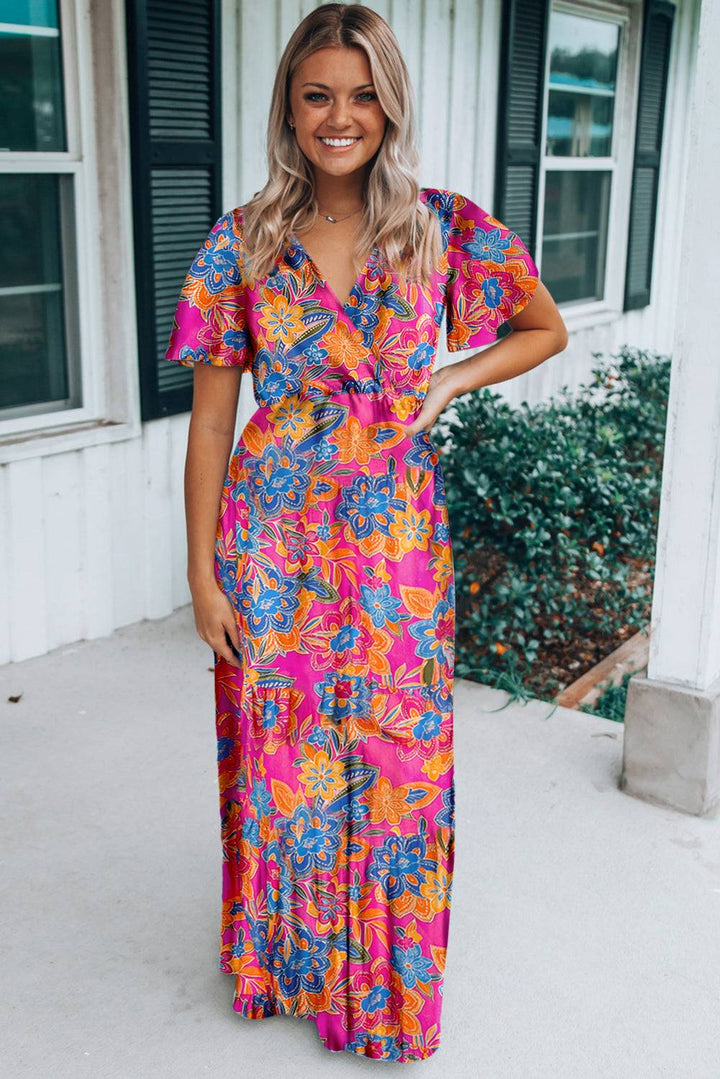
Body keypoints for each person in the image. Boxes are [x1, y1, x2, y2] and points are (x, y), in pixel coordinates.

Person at [164, 1, 567, 1063]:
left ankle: (381, 989)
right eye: (317, 96)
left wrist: (449, 380)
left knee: (397, 759)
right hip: (274, 538)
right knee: (287, 756)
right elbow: (211, 424)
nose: (338, 118)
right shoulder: (242, 239)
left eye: (361, 96)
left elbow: (543, 327)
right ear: (289, 108)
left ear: (389, 106)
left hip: (394, 543)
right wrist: (203, 574)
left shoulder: (441, 227)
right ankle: (287, 962)